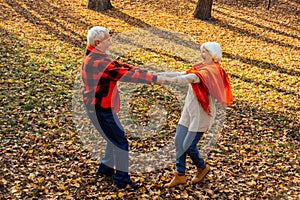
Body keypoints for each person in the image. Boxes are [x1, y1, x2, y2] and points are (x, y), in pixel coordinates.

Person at [81, 26, 163, 189]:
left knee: (113, 138)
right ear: (98, 42)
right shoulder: (98, 61)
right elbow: (126, 75)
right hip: (100, 110)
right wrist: (154, 78)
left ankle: (106, 168)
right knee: (120, 142)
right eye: (108, 40)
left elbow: (121, 66)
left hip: (100, 107)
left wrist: (147, 72)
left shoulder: (96, 55)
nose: (110, 43)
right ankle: (121, 179)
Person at [157, 42, 233, 188]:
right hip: (188, 112)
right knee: (179, 142)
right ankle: (180, 175)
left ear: (214, 54)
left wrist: (168, 80)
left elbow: (190, 78)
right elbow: (184, 74)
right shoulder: (200, 67)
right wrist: (160, 75)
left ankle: (202, 167)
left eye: (206, 52)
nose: (202, 54)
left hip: (201, 115)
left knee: (188, 145)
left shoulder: (212, 71)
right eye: (202, 51)